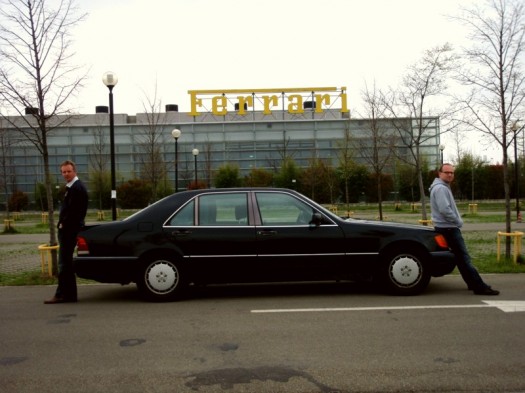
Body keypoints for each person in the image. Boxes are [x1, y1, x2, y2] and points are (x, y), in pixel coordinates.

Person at [429, 163, 499, 296]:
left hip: (446, 228)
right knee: (464, 258)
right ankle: (480, 287)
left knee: (461, 259)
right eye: (447, 172)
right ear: (439, 173)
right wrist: (458, 221)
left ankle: (473, 284)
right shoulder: (440, 189)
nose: (450, 174)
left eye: (452, 172)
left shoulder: (441, 187)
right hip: (448, 228)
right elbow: (444, 210)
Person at [44, 160, 88, 304]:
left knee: (64, 264)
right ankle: (69, 295)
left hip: (69, 231)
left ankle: (61, 294)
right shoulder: (73, 187)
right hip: (70, 230)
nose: (66, 174)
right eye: (63, 172)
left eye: (68, 171)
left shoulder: (76, 188)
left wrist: (63, 224)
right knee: (67, 264)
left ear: (74, 171)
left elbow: (75, 212)